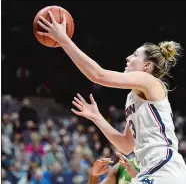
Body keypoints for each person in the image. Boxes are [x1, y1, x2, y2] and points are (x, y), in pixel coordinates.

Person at [37, 12, 186, 183]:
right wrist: (97, 117)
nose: (128, 58)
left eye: (135, 55)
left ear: (147, 65)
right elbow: (126, 145)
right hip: (151, 166)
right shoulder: (133, 97)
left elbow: (98, 75)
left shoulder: (149, 81)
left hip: (163, 163)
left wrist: (64, 40)